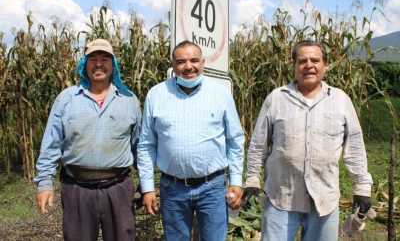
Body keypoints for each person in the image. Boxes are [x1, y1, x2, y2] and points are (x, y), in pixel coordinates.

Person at [242, 40, 373, 241]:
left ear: (325, 66)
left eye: (315, 60)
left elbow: (354, 147)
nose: (309, 65)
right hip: (280, 199)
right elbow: (258, 144)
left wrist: (362, 189)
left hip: (324, 201)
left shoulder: (340, 100)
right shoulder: (276, 98)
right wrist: (252, 180)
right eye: (302, 61)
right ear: (294, 66)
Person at [34, 39, 142, 241]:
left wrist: (146, 186)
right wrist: (45, 184)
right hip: (77, 189)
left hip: (118, 188)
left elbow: (139, 148)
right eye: (93, 58)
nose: (98, 63)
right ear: (84, 64)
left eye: (104, 59)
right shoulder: (67, 99)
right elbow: (51, 144)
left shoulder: (129, 100)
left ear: (113, 64)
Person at [137, 40, 244, 241]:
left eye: (194, 60)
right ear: (173, 64)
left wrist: (236, 181)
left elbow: (235, 139)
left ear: (203, 62)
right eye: (181, 61)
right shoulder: (156, 95)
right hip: (173, 188)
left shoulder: (220, 94)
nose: (188, 66)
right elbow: (146, 144)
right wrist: (148, 187)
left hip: (212, 188)